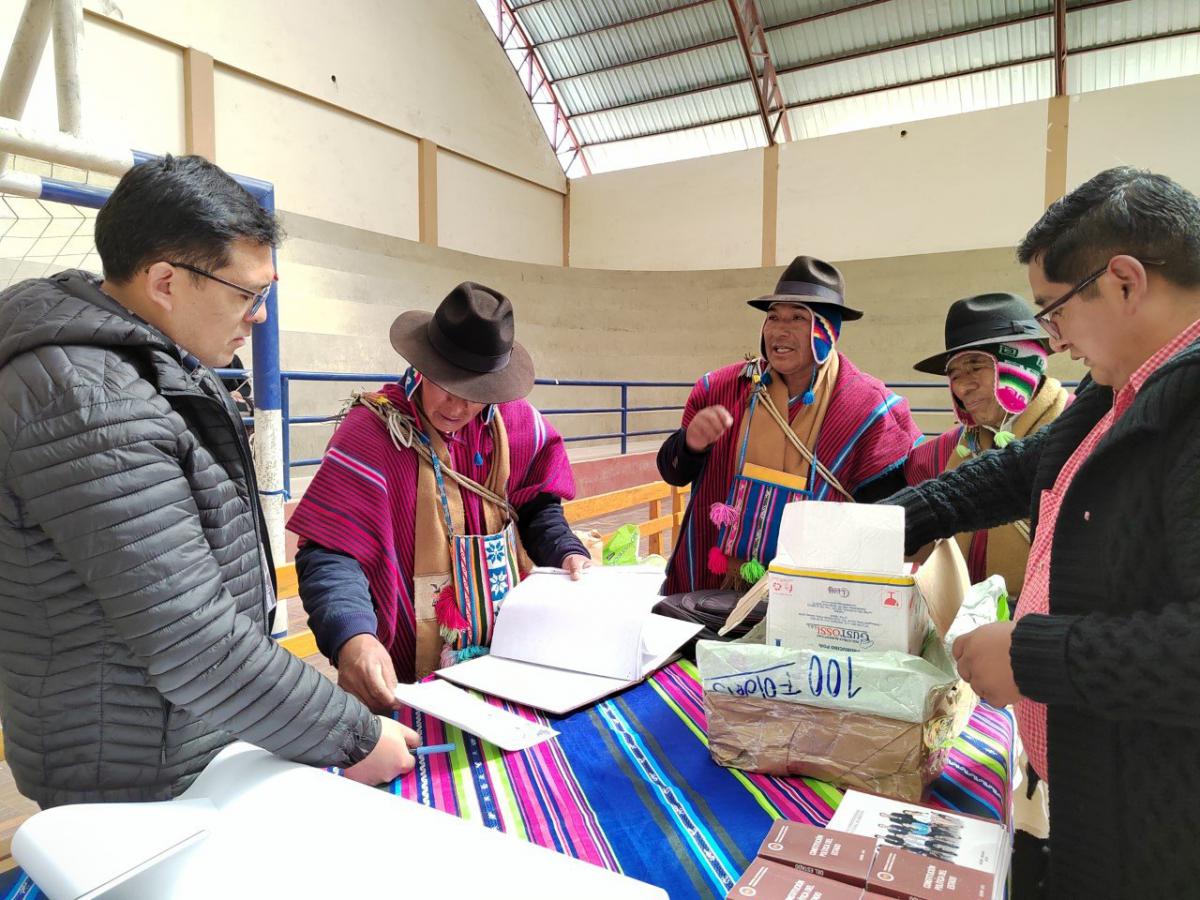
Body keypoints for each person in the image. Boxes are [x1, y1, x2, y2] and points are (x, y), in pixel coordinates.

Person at [0, 155, 415, 808]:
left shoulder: (149, 365)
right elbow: (190, 637)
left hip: (181, 735)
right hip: (129, 768)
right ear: (166, 281)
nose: (257, 317)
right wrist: (354, 737)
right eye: (247, 295)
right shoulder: (85, 399)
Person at [884, 167, 1200, 898]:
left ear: (1123, 282)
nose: (1052, 343)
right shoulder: (1119, 388)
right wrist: (900, 518)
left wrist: (1034, 657)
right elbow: (1019, 468)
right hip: (1085, 792)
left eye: (1054, 312)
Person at [288, 282, 590, 711]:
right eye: (447, 384)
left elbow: (538, 506)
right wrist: (352, 635)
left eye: (476, 394)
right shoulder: (373, 434)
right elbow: (329, 552)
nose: (457, 406)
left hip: (508, 659)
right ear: (424, 365)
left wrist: (565, 551)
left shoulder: (517, 424)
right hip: (405, 677)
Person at [658, 255, 920, 596]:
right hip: (712, 584)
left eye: (798, 317)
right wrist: (691, 444)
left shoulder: (866, 407)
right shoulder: (723, 388)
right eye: (773, 317)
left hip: (811, 598)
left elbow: (888, 515)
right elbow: (673, 472)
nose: (779, 330)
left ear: (828, 329)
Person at [904, 293, 1070, 595]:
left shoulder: (1073, 436)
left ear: (1021, 366)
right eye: (954, 375)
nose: (963, 386)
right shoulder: (953, 451)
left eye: (976, 366)